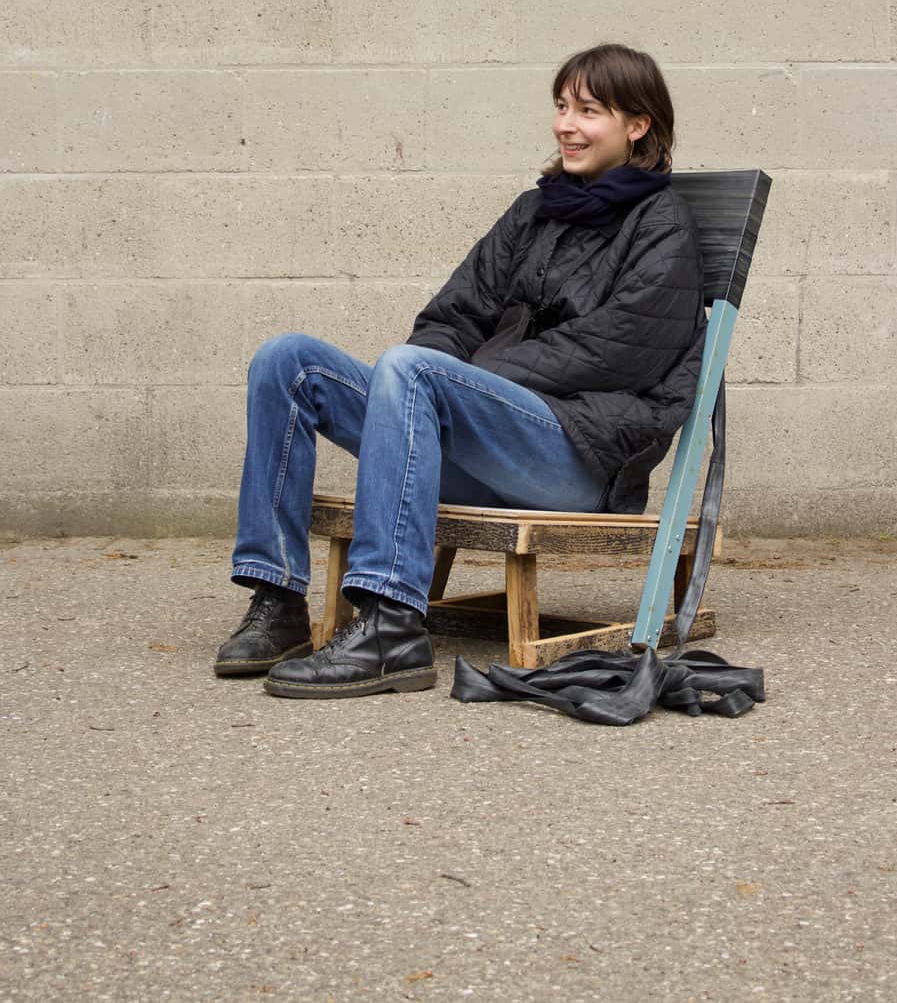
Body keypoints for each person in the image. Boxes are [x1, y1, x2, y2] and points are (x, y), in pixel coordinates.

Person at [213, 42, 706, 700]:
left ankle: (391, 624)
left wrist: (475, 377)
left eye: (589, 111)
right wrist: (455, 377)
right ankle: (275, 601)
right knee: (288, 361)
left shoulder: (664, 227)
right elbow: (455, 312)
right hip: (486, 441)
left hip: (577, 459)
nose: (567, 124)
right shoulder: (536, 212)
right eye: (561, 106)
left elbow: (615, 352)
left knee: (414, 371)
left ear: (637, 124)